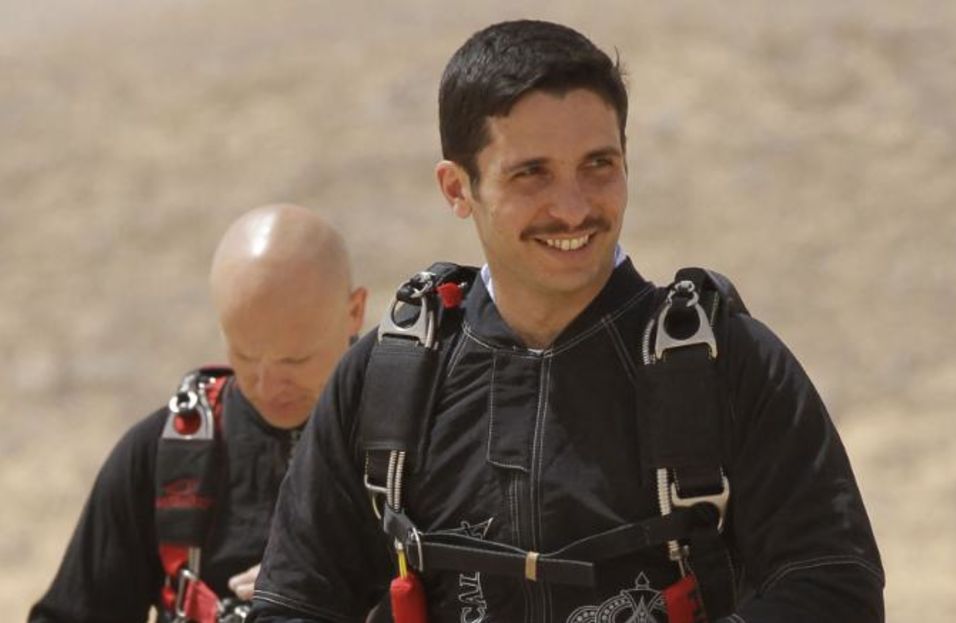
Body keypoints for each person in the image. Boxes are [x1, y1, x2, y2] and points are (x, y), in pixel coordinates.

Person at [251, 20, 884, 623]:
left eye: (598, 165)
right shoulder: (385, 384)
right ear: (456, 188)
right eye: (532, 174)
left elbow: (834, 589)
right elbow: (294, 605)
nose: (573, 207)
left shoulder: (729, 364)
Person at [29, 204, 368, 622]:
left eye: (294, 361)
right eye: (244, 355)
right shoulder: (163, 456)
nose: (266, 385)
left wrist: (327, 588)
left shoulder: (416, 448)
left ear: (355, 311)